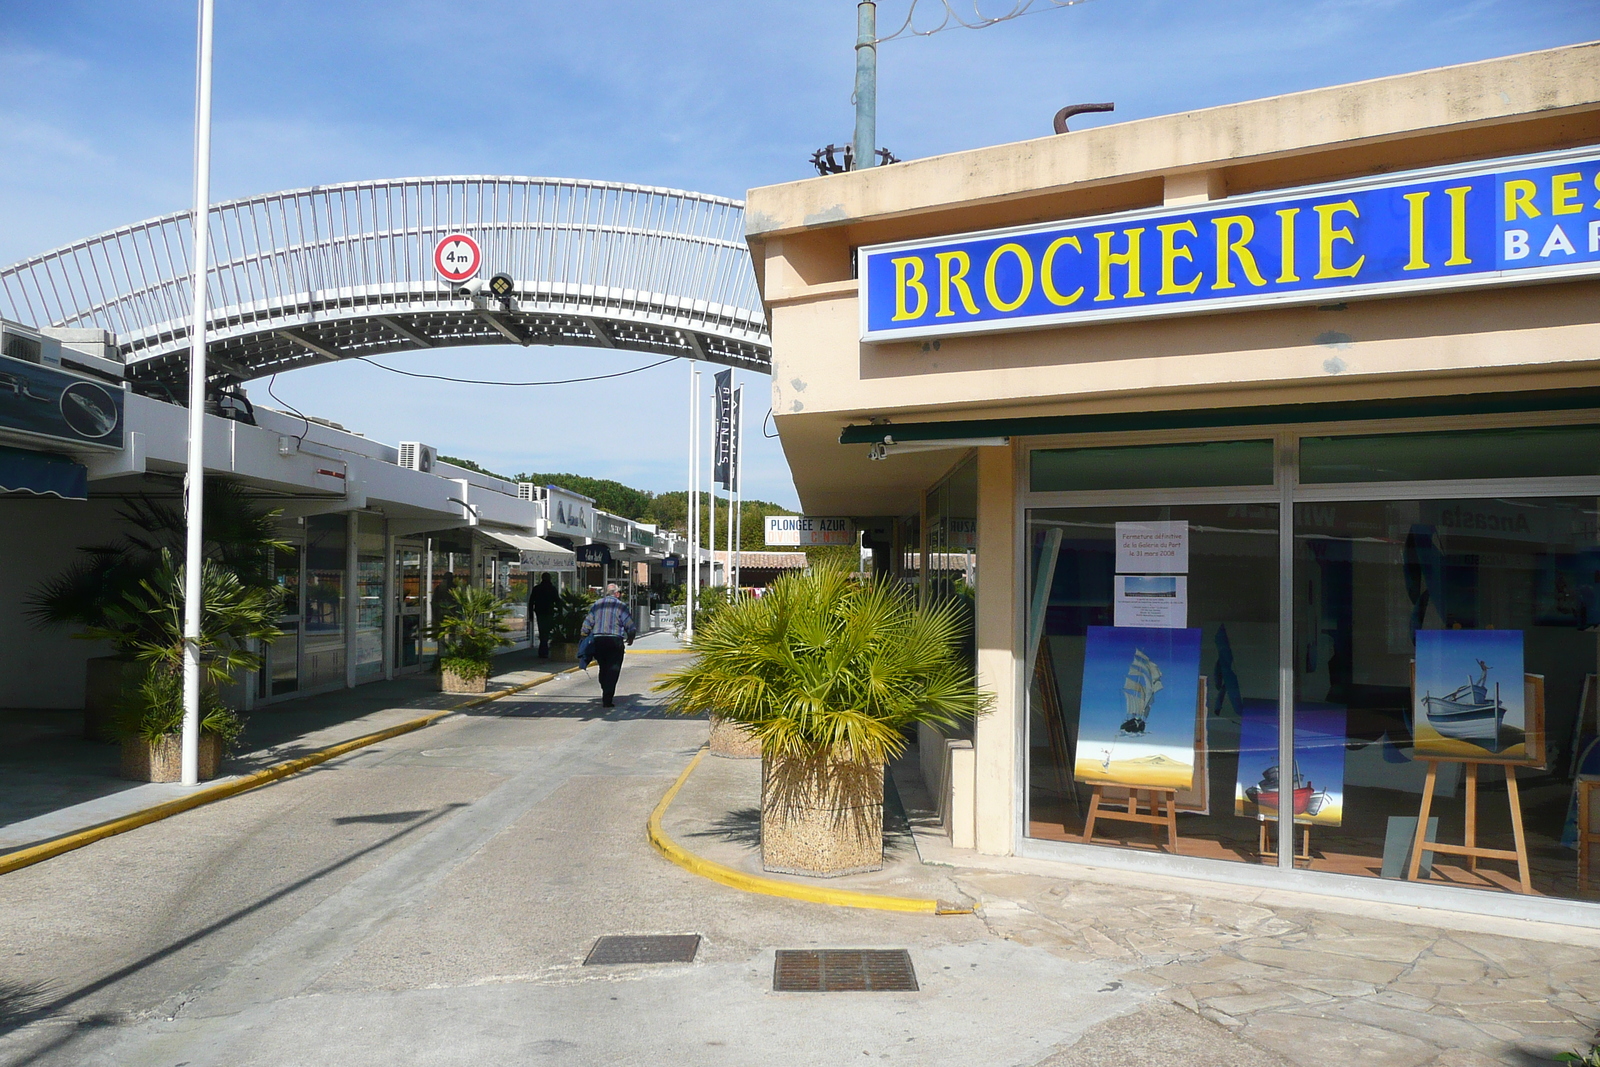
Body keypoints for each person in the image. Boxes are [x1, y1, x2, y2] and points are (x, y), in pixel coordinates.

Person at [580, 583, 637, 707]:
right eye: (619, 593)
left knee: (603, 667)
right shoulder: (621, 606)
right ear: (616, 594)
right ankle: (607, 695)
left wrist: (584, 635)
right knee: (613, 669)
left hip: (599, 640)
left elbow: (588, 622)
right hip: (614, 641)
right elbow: (629, 624)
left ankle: (605, 688)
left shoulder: (597, 604)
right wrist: (631, 636)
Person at [528, 573, 560, 659]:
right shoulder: (552, 589)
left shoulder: (537, 589)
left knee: (542, 631)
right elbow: (558, 601)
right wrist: (560, 613)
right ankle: (544, 650)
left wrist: (530, 614)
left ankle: (543, 650)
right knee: (547, 631)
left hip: (540, 612)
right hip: (549, 612)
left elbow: (531, 602)